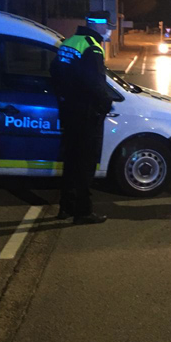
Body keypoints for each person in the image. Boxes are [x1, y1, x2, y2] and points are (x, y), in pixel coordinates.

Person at [50, 11, 115, 224]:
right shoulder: (93, 47)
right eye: (107, 26)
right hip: (86, 113)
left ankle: (65, 207)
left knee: (70, 161)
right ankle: (83, 212)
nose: (108, 30)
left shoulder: (68, 42)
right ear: (97, 25)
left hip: (68, 110)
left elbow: (55, 71)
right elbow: (95, 83)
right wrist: (106, 104)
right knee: (85, 164)